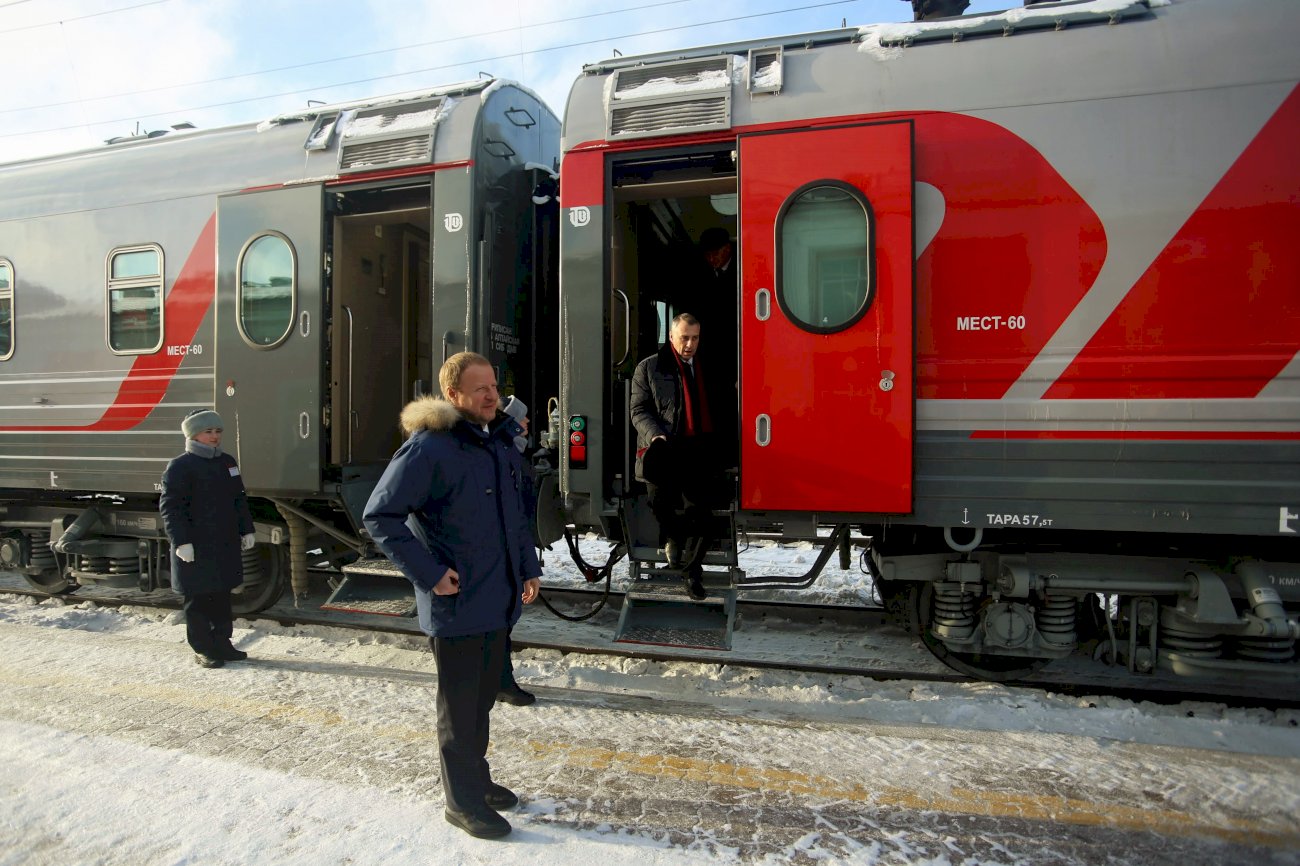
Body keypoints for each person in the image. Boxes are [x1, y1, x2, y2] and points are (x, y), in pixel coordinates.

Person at [363, 352, 542, 840]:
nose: (492, 395)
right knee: (460, 709)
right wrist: (429, 573)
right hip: (458, 602)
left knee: (481, 701)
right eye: (479, 388)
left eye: (494, 386)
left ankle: (476, 781)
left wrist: (527, 568)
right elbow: (380, 516)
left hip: (497, 596)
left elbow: (515, 518)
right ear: (453, 395)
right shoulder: (430, 448)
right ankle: (461, 803)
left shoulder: (496, 442)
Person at [630, 313, 728, 601]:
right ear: (671, 336)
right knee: (660, 504)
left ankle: (692, 572)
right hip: (664, 449)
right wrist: (656, 435)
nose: (689, 344)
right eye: (684, 337)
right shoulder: (648, 368)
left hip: (699, 449)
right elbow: (638, 410)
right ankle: (674, 538)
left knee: (703, 516)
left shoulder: (707, 366)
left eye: (695, 338)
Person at [159, 409, 256, 669]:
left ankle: (222, 643)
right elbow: (171, 508)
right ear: (193, 434)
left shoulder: (227, 462)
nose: (214, 436)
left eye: (218, 431)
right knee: (198, 599)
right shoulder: (180, 466)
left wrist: (247, 529)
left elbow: (239, 498)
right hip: (196, 544)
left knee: (222, 594)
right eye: (208, 431)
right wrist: (181, 542)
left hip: (223, 542)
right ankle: (202, 648)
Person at [495, 394, 537, 707]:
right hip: (497, 552)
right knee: (498, 620)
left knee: (503, 617)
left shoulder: (510, 454)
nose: (527, 423)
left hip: (506, 549)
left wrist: (528, 569)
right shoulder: (505, 456)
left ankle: (498, 680)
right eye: (521, 419)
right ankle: (500, 681)